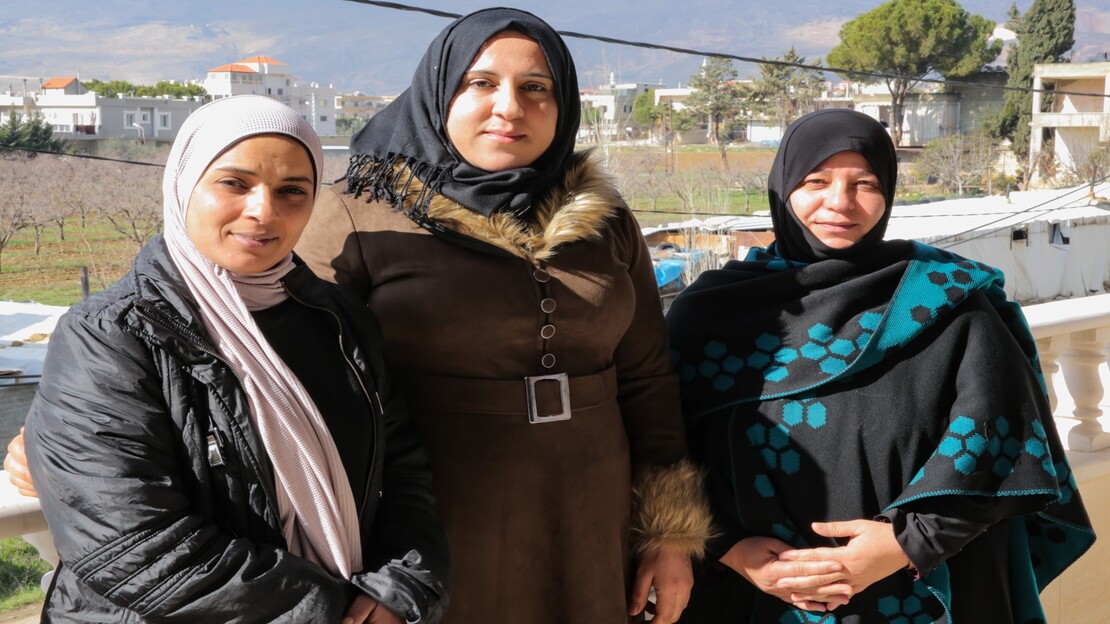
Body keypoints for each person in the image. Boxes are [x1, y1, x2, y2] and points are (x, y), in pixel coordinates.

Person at [294, 8, 711, 624]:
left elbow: (648, 379)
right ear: (439, 93)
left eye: (535, 87)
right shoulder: (356, 217)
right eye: (480, 83)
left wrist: (668, 533)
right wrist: (375, 572)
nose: (510, 107)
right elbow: (303, 403)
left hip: (594, 514)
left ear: (563, 102)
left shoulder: (606, 219)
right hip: (430, 525)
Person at [20, 95, 449, 623]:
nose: (263, 211)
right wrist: (328, 611)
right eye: (234, 183)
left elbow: (402, 470)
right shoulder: (111, 335)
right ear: (184, 185)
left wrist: (398, 587)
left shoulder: (337, 320)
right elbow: (131, 545)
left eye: (292, 190)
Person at [667, 109, 1095, 623]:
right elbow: (664, 450)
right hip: (757, 597)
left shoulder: (943, 300)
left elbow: (1002, 441)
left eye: (864, 182)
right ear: (782, 189)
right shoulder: (712, 314)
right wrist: (731, 549)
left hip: (923, 584)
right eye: (816, 181)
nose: (840, 203)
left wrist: (904, 544)